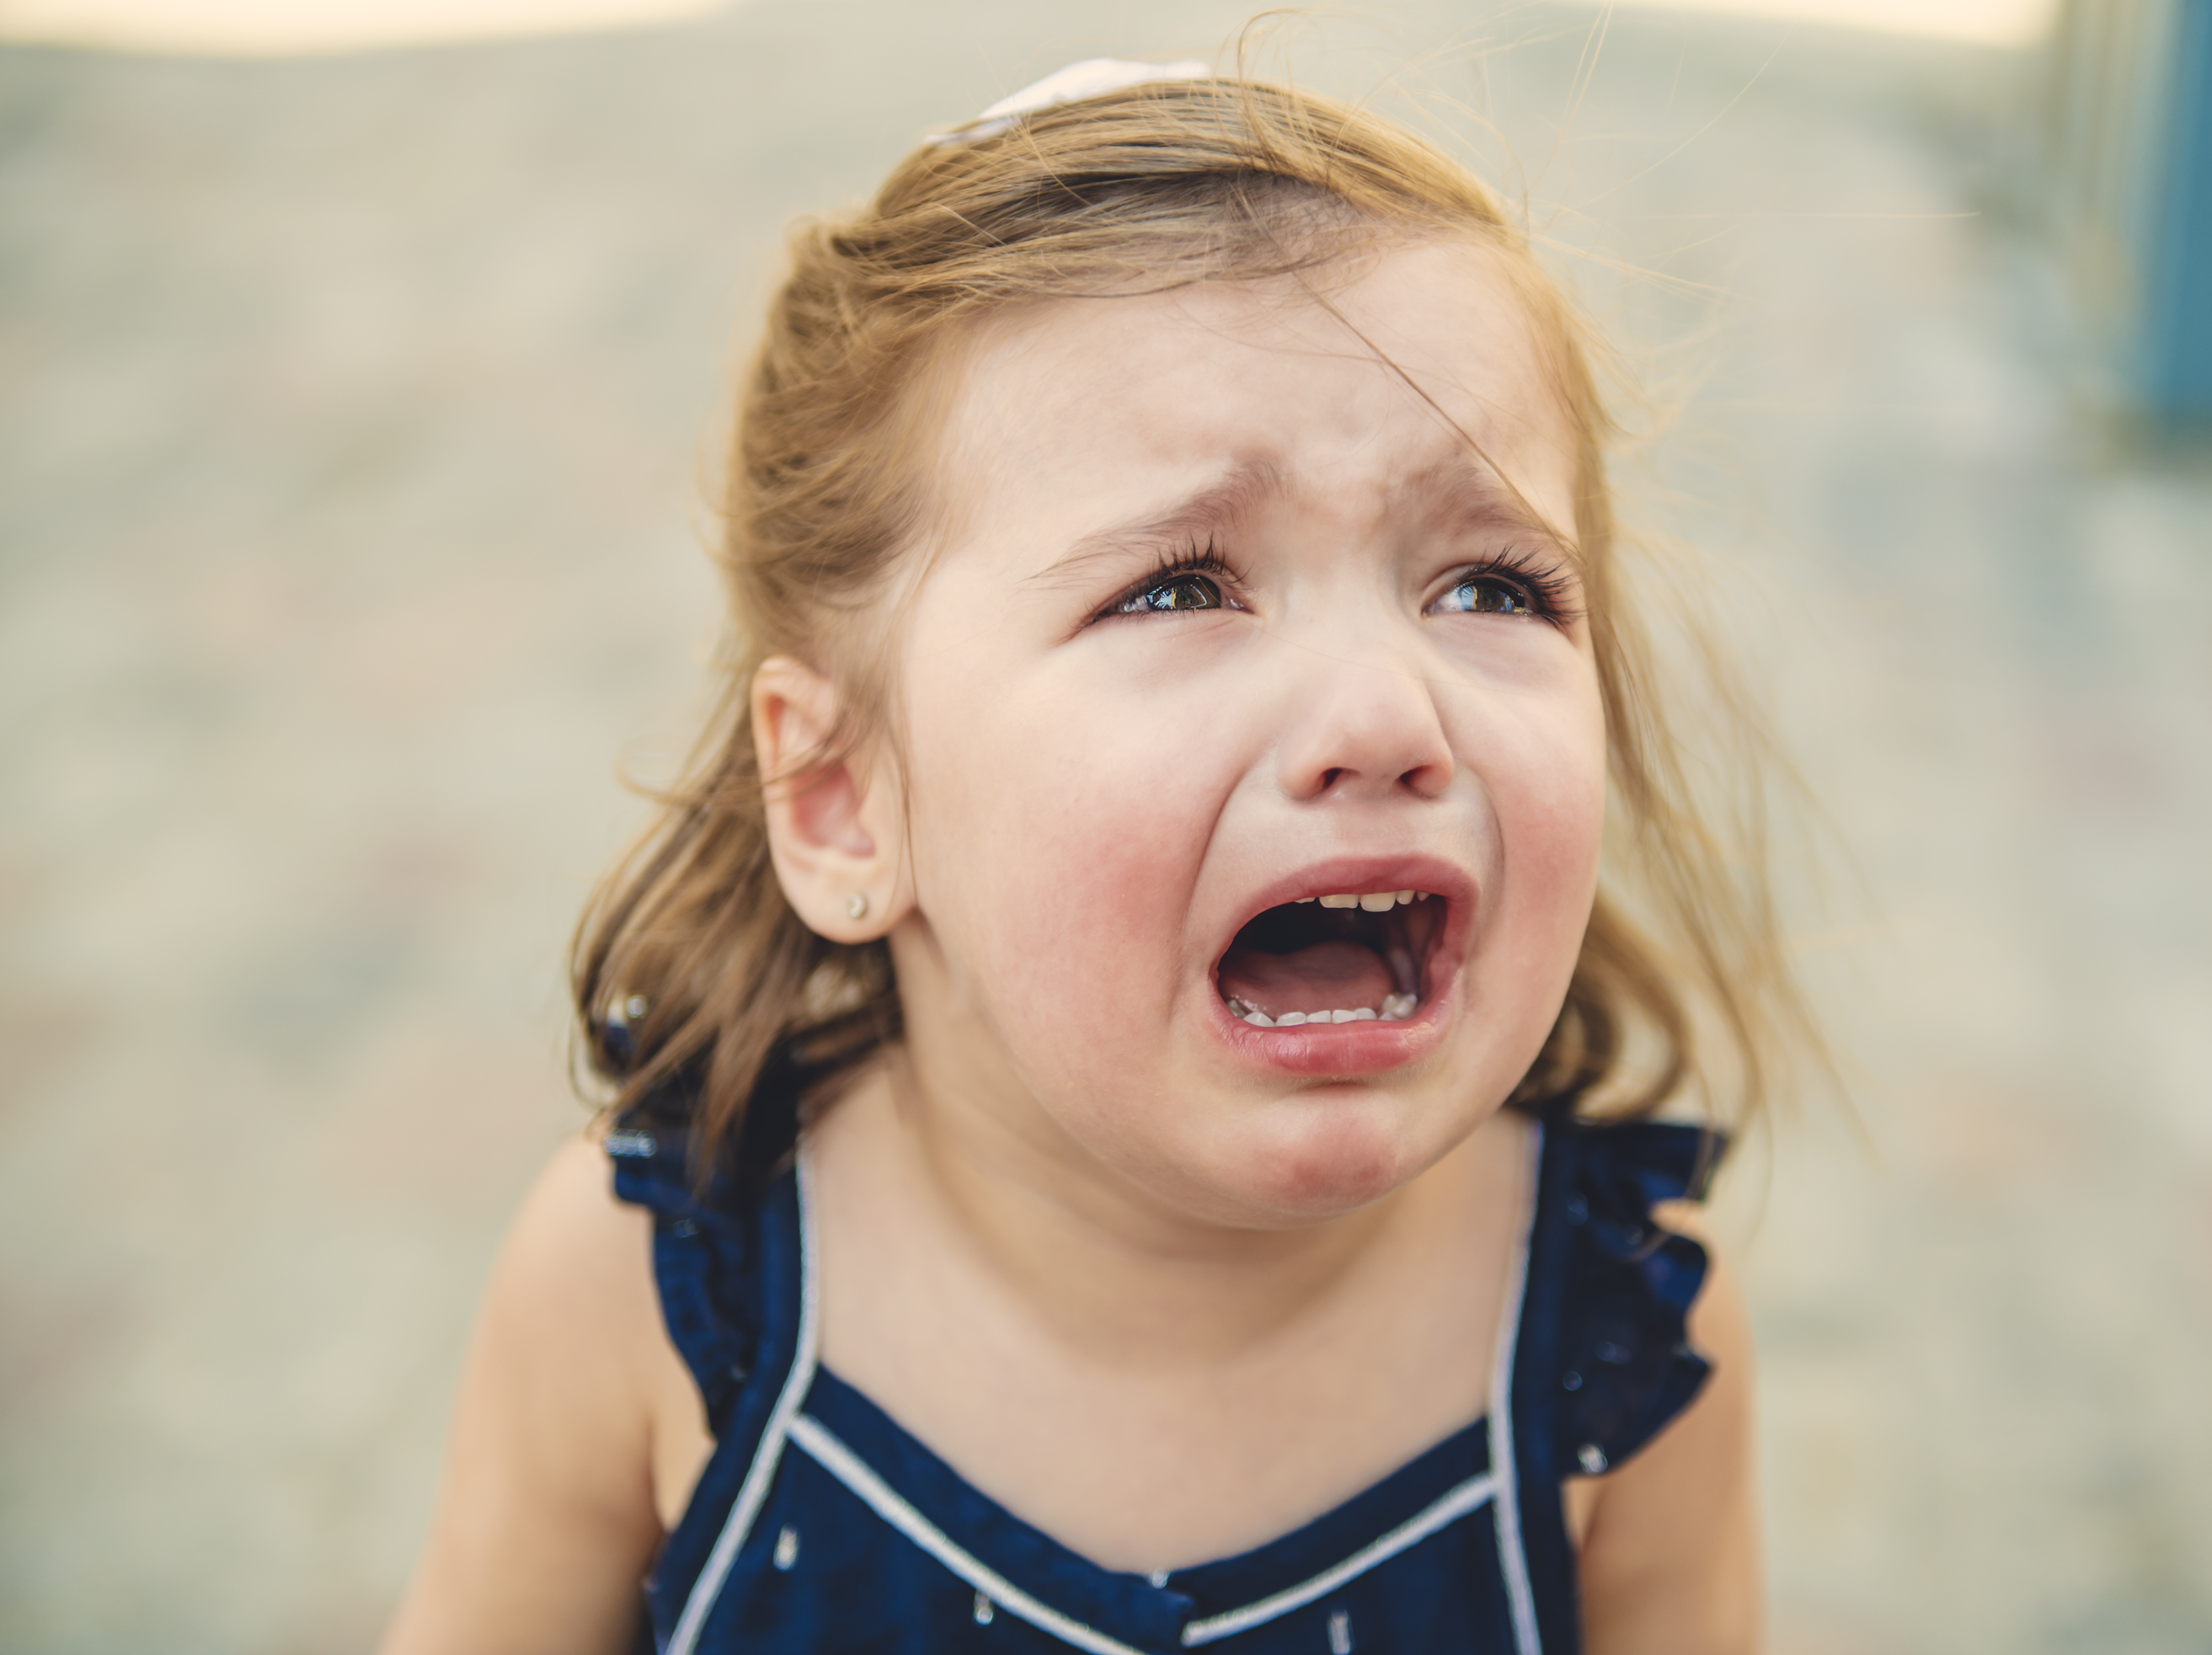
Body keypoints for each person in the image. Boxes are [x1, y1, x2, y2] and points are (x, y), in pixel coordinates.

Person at [382, 56, 1812, 1655]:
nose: (1382, 710)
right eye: (1182, 587)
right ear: (849, 799)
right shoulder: (643, 1296)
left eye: (1488, 588)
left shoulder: (1618, 1349)